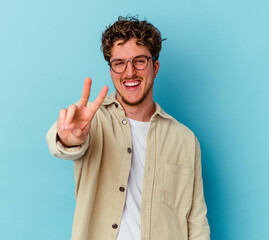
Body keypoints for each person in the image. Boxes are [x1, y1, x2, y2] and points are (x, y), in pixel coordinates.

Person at [46, 16, 210, 240]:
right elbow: (61, 144)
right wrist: (68, 139)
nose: (129, 72)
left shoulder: (185, 140)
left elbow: (196, 221)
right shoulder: (92, 123)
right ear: (112, 69)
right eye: (119, 63)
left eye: (139, 61)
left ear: (155, 67)